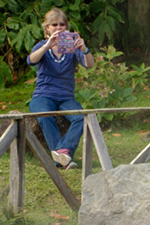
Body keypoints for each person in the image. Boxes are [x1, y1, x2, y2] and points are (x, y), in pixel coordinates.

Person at [27, 8, 95, 170]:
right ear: (47, 28)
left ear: (67, 27)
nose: (58, 28)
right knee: (44, 116)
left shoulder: (71, 47)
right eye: (54, 25)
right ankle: (63, 158)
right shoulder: (42, 45)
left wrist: (84, 49)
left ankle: (62, 152)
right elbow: (31, 60)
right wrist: (47, 46)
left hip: (66, 97)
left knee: (81, 117)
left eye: (62, 24)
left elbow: (89, 64)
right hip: (43, 95)